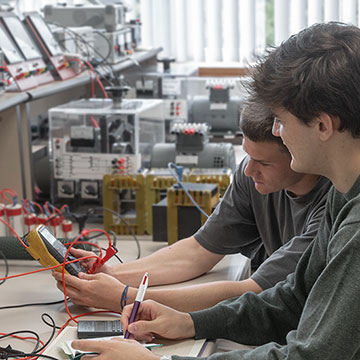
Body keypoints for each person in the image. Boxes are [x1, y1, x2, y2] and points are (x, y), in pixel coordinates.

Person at [70, 21, 360, 359]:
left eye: (281, 120)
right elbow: (292, 301)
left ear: (323, 125)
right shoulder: (345, 191)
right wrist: (191, 322)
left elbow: (310, 356)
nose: (278, 131)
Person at [54, 100, 330, 313]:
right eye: (248, 155)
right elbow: (198, 250)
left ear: (299, 151)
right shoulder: (253, 177)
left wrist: (124, 298)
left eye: (264, 163)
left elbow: (251, 292)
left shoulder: (332, 205)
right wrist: (111, 275)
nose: (249, 170)